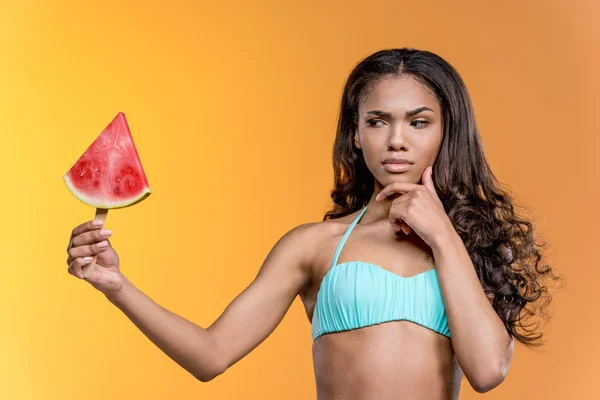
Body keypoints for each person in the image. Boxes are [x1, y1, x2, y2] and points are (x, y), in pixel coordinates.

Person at [65, 48, 558, 399]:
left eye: (419, 121)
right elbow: (209, 356)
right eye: (378, 121)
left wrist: (443, 236)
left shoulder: (473, 244)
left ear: (448, 133)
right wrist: (116, 286)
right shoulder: (313, 247)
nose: (397, 140)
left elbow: (488, 371)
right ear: (356, 135)